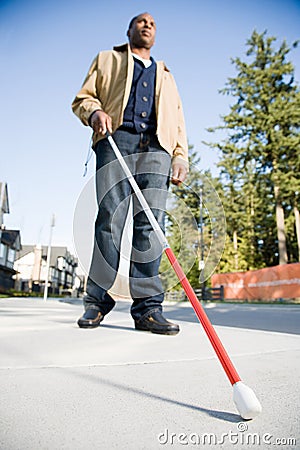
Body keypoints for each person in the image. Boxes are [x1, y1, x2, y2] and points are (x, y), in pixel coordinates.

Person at [72, 12, 189, 335]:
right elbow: (84, 98)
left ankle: (148, 309)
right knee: (110, 218)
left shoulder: (166, 75)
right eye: (141, 21)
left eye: (152, 23)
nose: (147, 25)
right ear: (129, 30)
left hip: (158, 149)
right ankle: (96, 301)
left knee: (151, 225)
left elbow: (178, 121)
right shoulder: (107, 59)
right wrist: (95, 111)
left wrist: (180, 156)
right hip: (116, 139)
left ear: (156, 33)